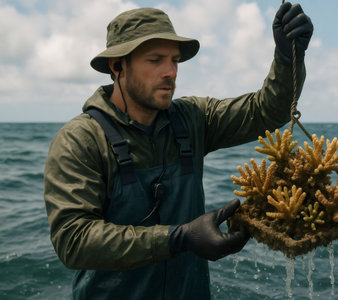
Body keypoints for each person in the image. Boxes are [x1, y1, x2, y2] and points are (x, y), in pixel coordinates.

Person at [44, 2, 313, 299]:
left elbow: (266, 110)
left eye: (174, 60)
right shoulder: (80, 139)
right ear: (117, 66)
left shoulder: (192, 118)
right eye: (155, 60)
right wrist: (179, 238)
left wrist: (289, 57)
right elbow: (73, 240)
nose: (170, 72)